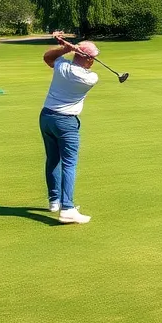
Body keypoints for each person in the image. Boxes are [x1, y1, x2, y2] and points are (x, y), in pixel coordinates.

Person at [40, 31, 102, 224]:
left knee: (53, 159)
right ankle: (67, 208)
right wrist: (69, 48)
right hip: (66, 122)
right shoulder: (91, 78)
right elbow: (57, 61)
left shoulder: (62, 65)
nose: (94, 61)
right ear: (87, 59)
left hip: (46, 117)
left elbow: (48, 58)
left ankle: (54, 201)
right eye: (92, 58)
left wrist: (64, 49)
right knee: (69, 163)